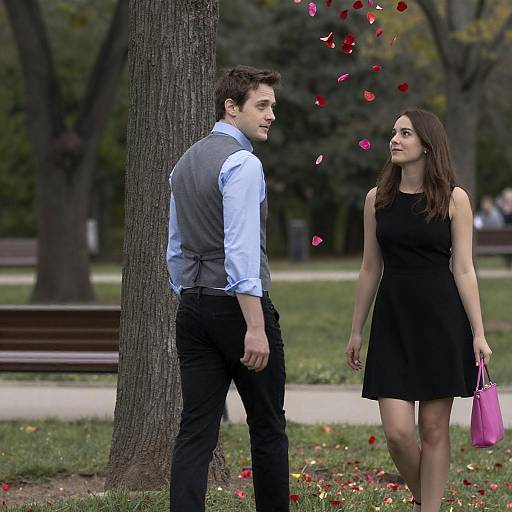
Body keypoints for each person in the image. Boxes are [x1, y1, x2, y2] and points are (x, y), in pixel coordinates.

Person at [344, 109, 492, 512]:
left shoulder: (453, 198)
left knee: (433, 428)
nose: (394, 139)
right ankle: (425, 496)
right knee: (397, 433)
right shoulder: (377, 199)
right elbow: (369, 266)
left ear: (427, 145)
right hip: (393, 321)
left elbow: (463, 267)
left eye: (404, 133)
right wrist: (357, 329)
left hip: (440, 321)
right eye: (393, 132)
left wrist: (478, 333)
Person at [166, 65, 289, 512]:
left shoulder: (184, 162)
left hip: (194, 306)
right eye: (261, 105)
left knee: (196, 427)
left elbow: (175, 249)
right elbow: (241, 252)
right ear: (231, 108)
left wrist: (190, 296)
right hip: (236, 310)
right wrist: (254, 326)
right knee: (268, 426)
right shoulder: (242, 163)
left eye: (272, 105)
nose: (271, 114)